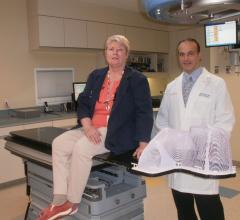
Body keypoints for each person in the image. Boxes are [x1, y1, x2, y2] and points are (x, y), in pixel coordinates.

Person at [37, 35, 153, 220]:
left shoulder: (137, 79)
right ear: (105, 52)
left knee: (82, 148)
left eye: (120, 49)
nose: (115, 53)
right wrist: (87, 125)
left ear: (126, 54)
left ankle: (72, 203)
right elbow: (82, 103)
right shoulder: (96, 75)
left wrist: (143, 143)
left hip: (116, 131)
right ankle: (60, 197)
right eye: (111, 49)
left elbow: (144, 112)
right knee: (59, 143)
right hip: (90, 127)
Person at [156, 38, 235, 220]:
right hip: (178, 159)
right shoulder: (171, 87)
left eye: (190, 53)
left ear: (199, 56)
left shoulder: (216, 84)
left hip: (203, 158)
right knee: (184, 211)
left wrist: (206, 145)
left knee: (210, 211)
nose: (186, 58)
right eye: (182, 54)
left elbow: (225, 120)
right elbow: (162, 120)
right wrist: (172, 142)